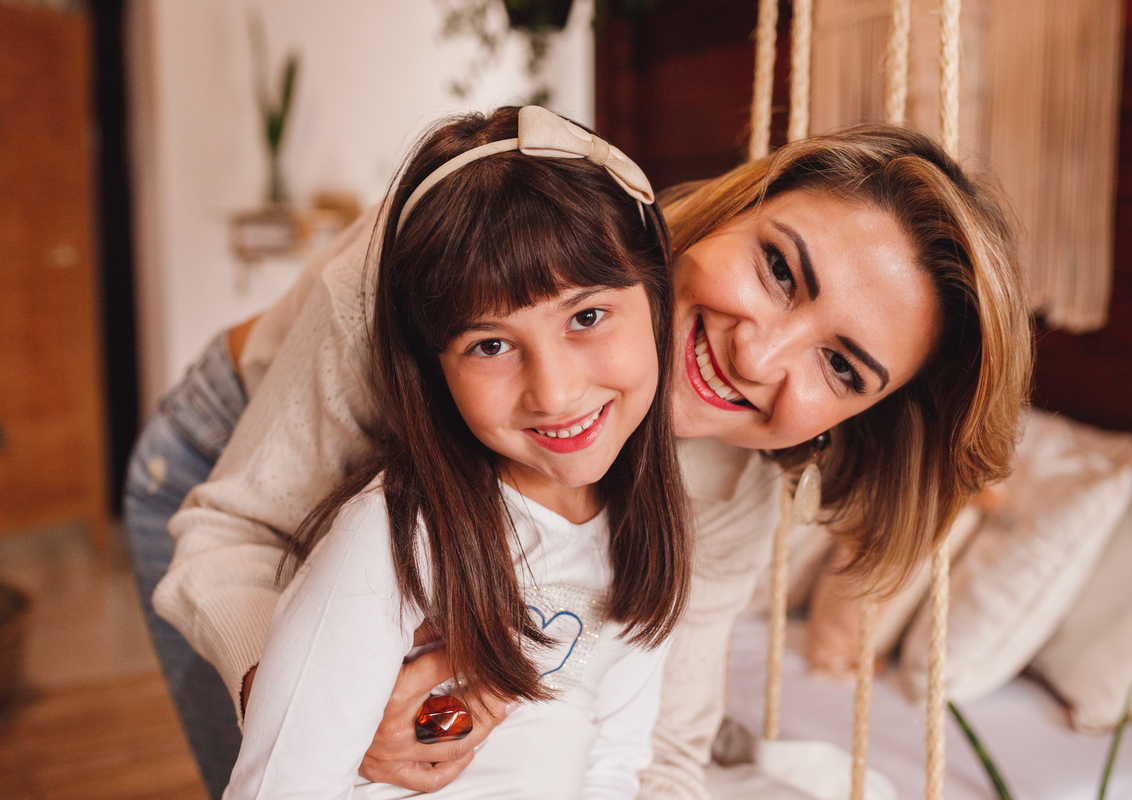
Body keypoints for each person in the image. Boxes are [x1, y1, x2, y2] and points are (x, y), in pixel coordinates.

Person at [129, 119, 1031, 799]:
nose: (758, 357)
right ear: (731, 210)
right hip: (237, 478)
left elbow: (659, 743)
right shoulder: (453, 248)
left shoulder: (726, 499)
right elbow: (230, 535)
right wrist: (309, 693)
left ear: (853, 422)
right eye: (780, 271)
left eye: (840, 366)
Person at [221, 105, 690, 799]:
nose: (555, 392)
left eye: (587, 316)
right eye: (490, 345)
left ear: (657, 303)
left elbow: (616, 759)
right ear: (432, 368)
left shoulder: (648, 531)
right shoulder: (391, 540)